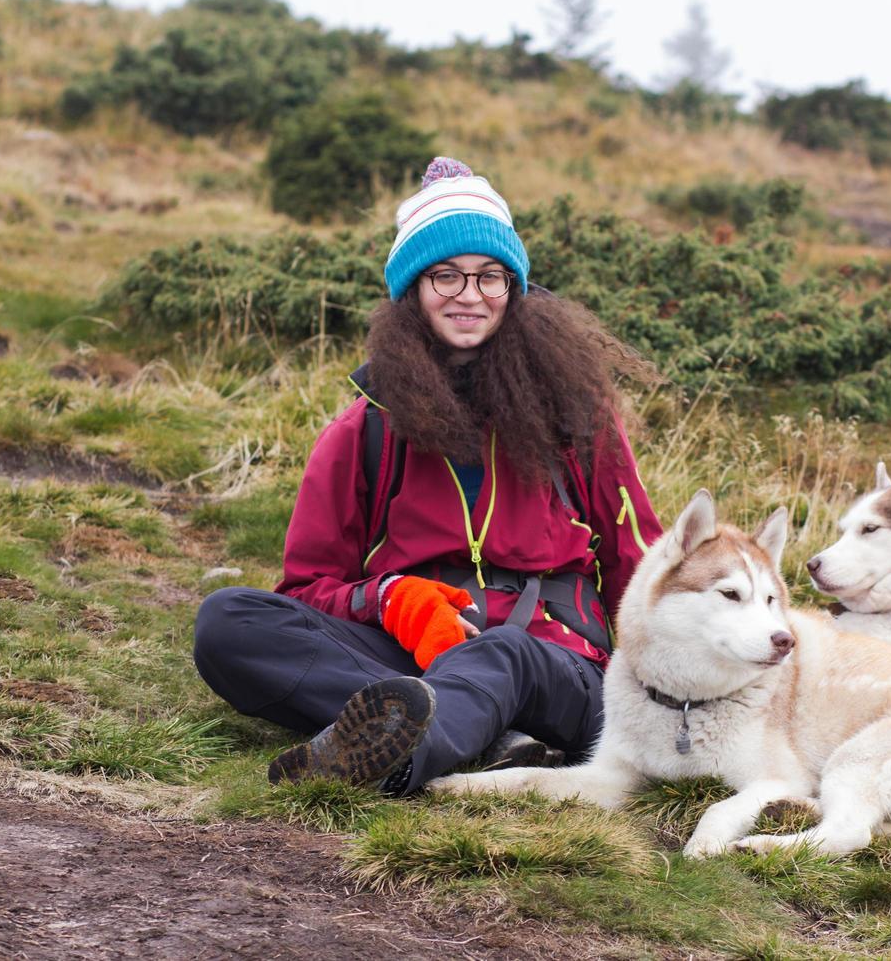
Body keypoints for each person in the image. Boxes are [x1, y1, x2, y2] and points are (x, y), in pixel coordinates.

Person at [193, 157, 662, 795]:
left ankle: (403, 759)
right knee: (229, 622)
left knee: (505, 655)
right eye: (445, 275)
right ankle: (490, 739)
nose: (469, 296)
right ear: (412, 288)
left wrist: (666, 691)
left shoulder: (578, 416)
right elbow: (306, 588)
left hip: (561, 668)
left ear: (513, 290)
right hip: (415, 654)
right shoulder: (364, 432)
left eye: (490, 277)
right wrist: (389, 599)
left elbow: (639, 562)